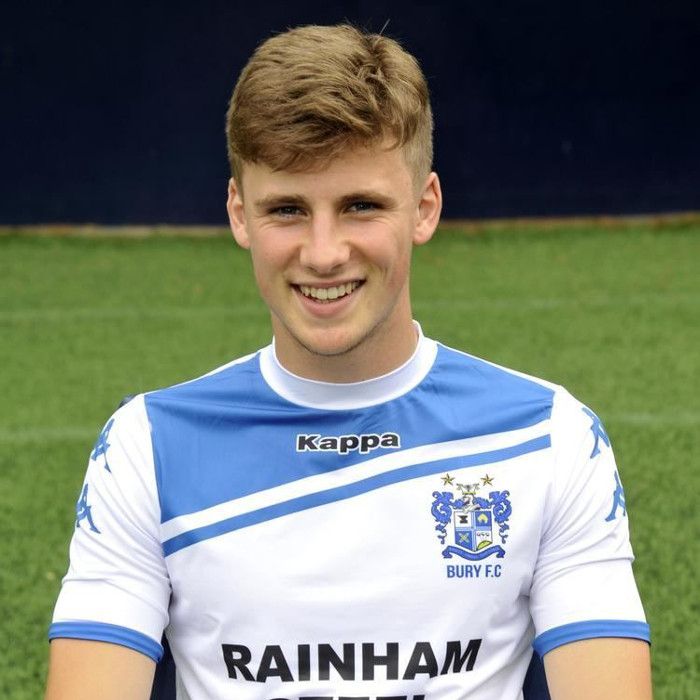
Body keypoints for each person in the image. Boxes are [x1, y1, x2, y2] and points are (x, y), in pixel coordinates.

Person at [45, 23, 652, 700]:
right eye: (287, 209)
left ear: (424, 208)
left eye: (361, 206)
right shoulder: (148, 447)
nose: (324, 252)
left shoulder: (549, 437)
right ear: (239, 214)